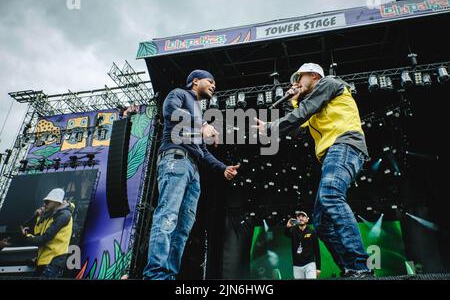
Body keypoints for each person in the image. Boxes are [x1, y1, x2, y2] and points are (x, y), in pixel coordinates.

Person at [254, 63, 372, 278]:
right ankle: (348, 267)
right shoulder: (311, 101)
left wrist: (272, 126)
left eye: (299, 77)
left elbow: (303, 113)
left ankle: (359, 265)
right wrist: (292, 99)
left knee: (331, 196)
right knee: (321, 222)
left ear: (314, 75)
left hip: (345, 144)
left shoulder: (329, 83)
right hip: (332, 153)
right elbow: (298, 128)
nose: (295, 83)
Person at [143, 69, 240, 280]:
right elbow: (169, 110)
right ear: (195, 81)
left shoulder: (197, 111)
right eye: (210, 81)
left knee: (183, 227)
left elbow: (203, 152)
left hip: (193, 168)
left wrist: (223, 168)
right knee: (168, 215)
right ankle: (155, 274)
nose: (214, 85)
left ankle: (168, 274)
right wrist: (204, 125)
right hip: (175, 160)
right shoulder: (178, 94)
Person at [21, 188, 74, 278]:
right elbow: (37, 233)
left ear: (56, 201)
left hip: (53, 260)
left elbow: (44, 239)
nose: (44, 204)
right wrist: (37, 216)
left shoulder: (64, 215)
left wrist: (27, 237)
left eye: (47, 201)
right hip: (45, 260)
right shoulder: (51, 215)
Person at [284, 211, 321, 279]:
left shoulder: (312, 232)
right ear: (297, 219)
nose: (301, 218)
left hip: (310, 264)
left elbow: (317, 251)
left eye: (303, 216)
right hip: (297, 265)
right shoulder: (293, 230)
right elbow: (286, 234)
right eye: (299, 217)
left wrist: (318, 268)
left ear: (307, 219)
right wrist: (287, 227)